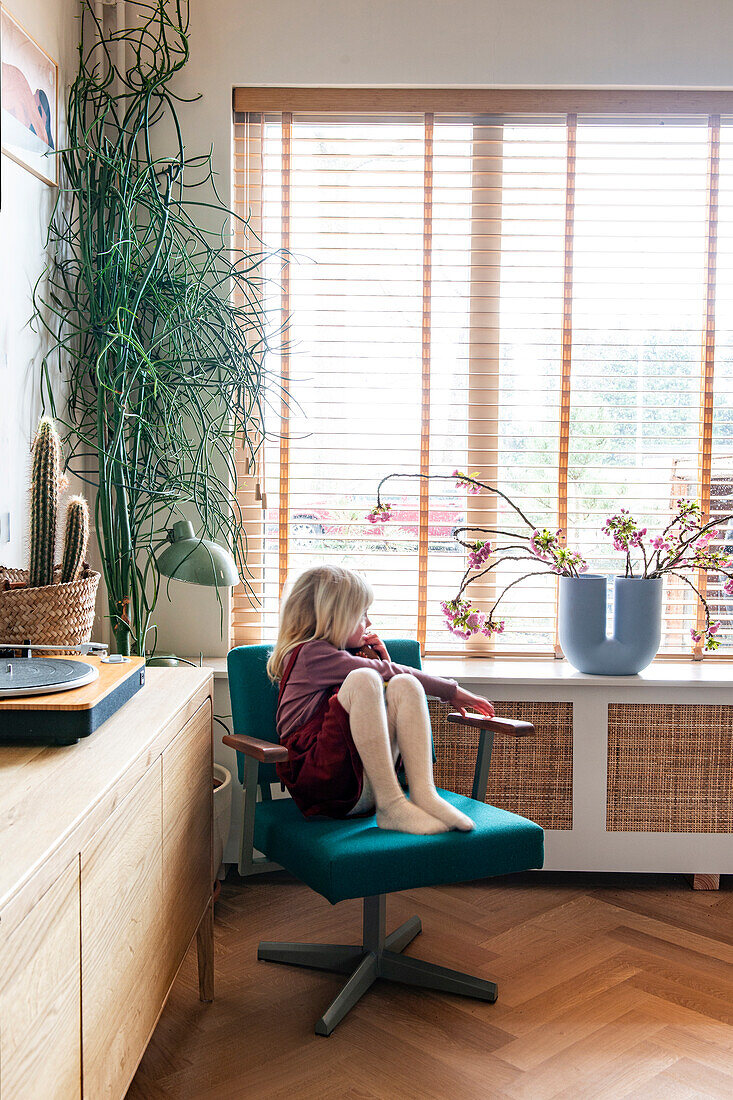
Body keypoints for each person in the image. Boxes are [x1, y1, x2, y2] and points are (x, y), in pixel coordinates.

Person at [267, 565, 495, 835]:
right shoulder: (310, 655)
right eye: (362, 614)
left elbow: (385, 691)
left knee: (404, 684)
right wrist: (451, 691)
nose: (369, 623)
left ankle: (423, 795)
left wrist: (381, 659)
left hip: (362, 784)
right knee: (366, 678)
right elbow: (377, 676)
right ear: (334, 617)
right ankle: (393, 805)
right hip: (322, 785)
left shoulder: (343, 656)